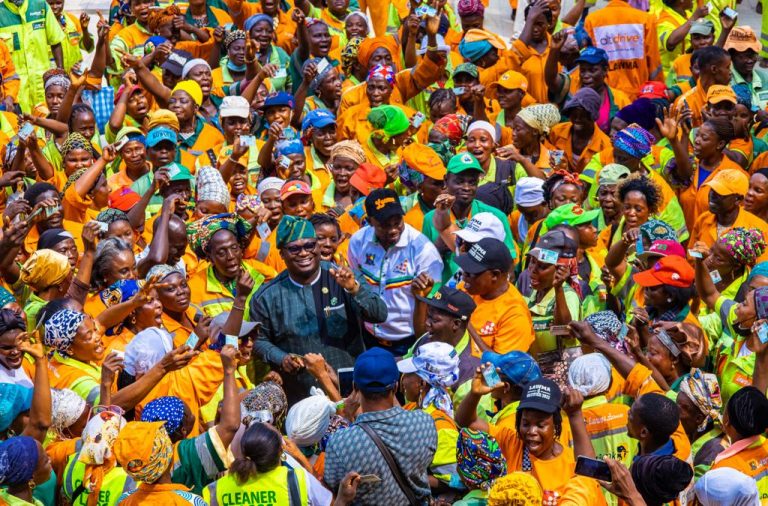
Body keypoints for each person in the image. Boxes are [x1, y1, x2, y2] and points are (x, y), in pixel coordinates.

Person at [250, 216, 387, 403]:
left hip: (350, 390)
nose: (304, 253)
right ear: (282, 254)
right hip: (303, 397)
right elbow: (259, 342)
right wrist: (282, 358)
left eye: (309, 245)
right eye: (294, 249)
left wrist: (354, 289)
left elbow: (379, 315)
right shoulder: (266, 296)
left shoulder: (343, 277)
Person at [324, 347, 437, 505]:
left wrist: (348, 418)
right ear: (396, 386)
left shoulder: (339, 443)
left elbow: (333, 487)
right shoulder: (425, 423)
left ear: (355, 387)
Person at [347, 188, 443, 356]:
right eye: (384, 225)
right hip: (367, 337)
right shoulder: (358, 242)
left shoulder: (423, 249)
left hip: (407, 342)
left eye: (397, 222)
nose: (393, 230)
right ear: (370, 221)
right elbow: (355, 285)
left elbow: (432, 305)